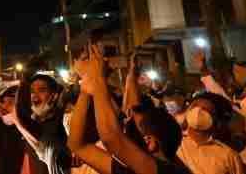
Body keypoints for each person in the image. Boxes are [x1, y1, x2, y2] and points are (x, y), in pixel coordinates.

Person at [69, 44, 188, 174]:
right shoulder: (128, 169)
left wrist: (98, 78)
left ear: (150, 142)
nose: (124, 125)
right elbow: (78, 146)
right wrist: (86, 87)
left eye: (130, 126)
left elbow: (111, 138)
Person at [13, 71, 72, 174]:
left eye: (41, 90)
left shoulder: (60, 123)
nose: (35, 96)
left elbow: (21, 114)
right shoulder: (36, 121)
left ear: (53, 96)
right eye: (32, 91)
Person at [176, 92, 244, 174]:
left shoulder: (228, 155)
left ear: (217, 120)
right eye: (195, 106)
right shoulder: (175, 141)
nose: (198, 112)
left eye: (205, 110)